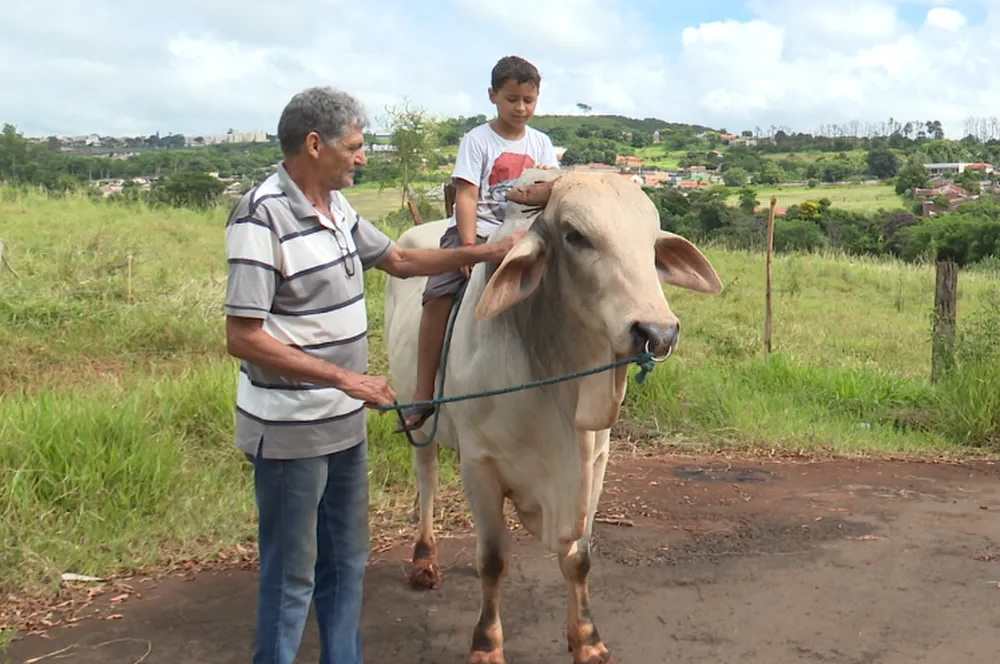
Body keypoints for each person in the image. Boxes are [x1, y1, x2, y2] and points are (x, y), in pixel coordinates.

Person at [223, 85, 525, 664]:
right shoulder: (261, 216)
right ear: (315, 145)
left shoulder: (337, 209)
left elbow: (403, 261)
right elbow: (245, 336)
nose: (364, 156)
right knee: (292, 578)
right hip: (291, 431)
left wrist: (485, 254)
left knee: (346, 564)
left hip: (343, 427)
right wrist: (348, 381)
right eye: (355, 146)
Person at [397, 54, 559, 432]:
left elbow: (549, 190)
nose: (520, 108)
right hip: (480, 230)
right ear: (492, 96)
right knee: (438, 295)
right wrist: (469, 246)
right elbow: (466, 196)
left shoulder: (541, 143)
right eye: (511, 99)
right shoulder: (477, 140)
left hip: (525, 234)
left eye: (528, 101)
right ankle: (423, 391)